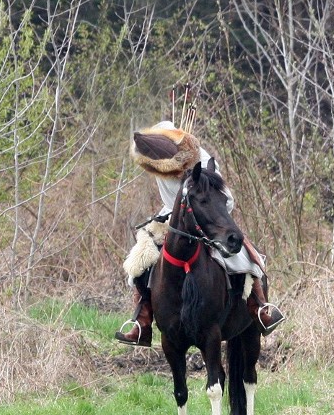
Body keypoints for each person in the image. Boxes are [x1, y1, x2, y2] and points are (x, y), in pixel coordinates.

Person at [114, 120, 285, 346]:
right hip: (173, 218)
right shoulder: (156, 162)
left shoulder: (200, 158)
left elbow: (226, 199)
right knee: (139, 260)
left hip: (210, 215)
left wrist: (208, 215)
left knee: (241, 257)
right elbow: (169, 200)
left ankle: (259, 306)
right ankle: (141, 321)